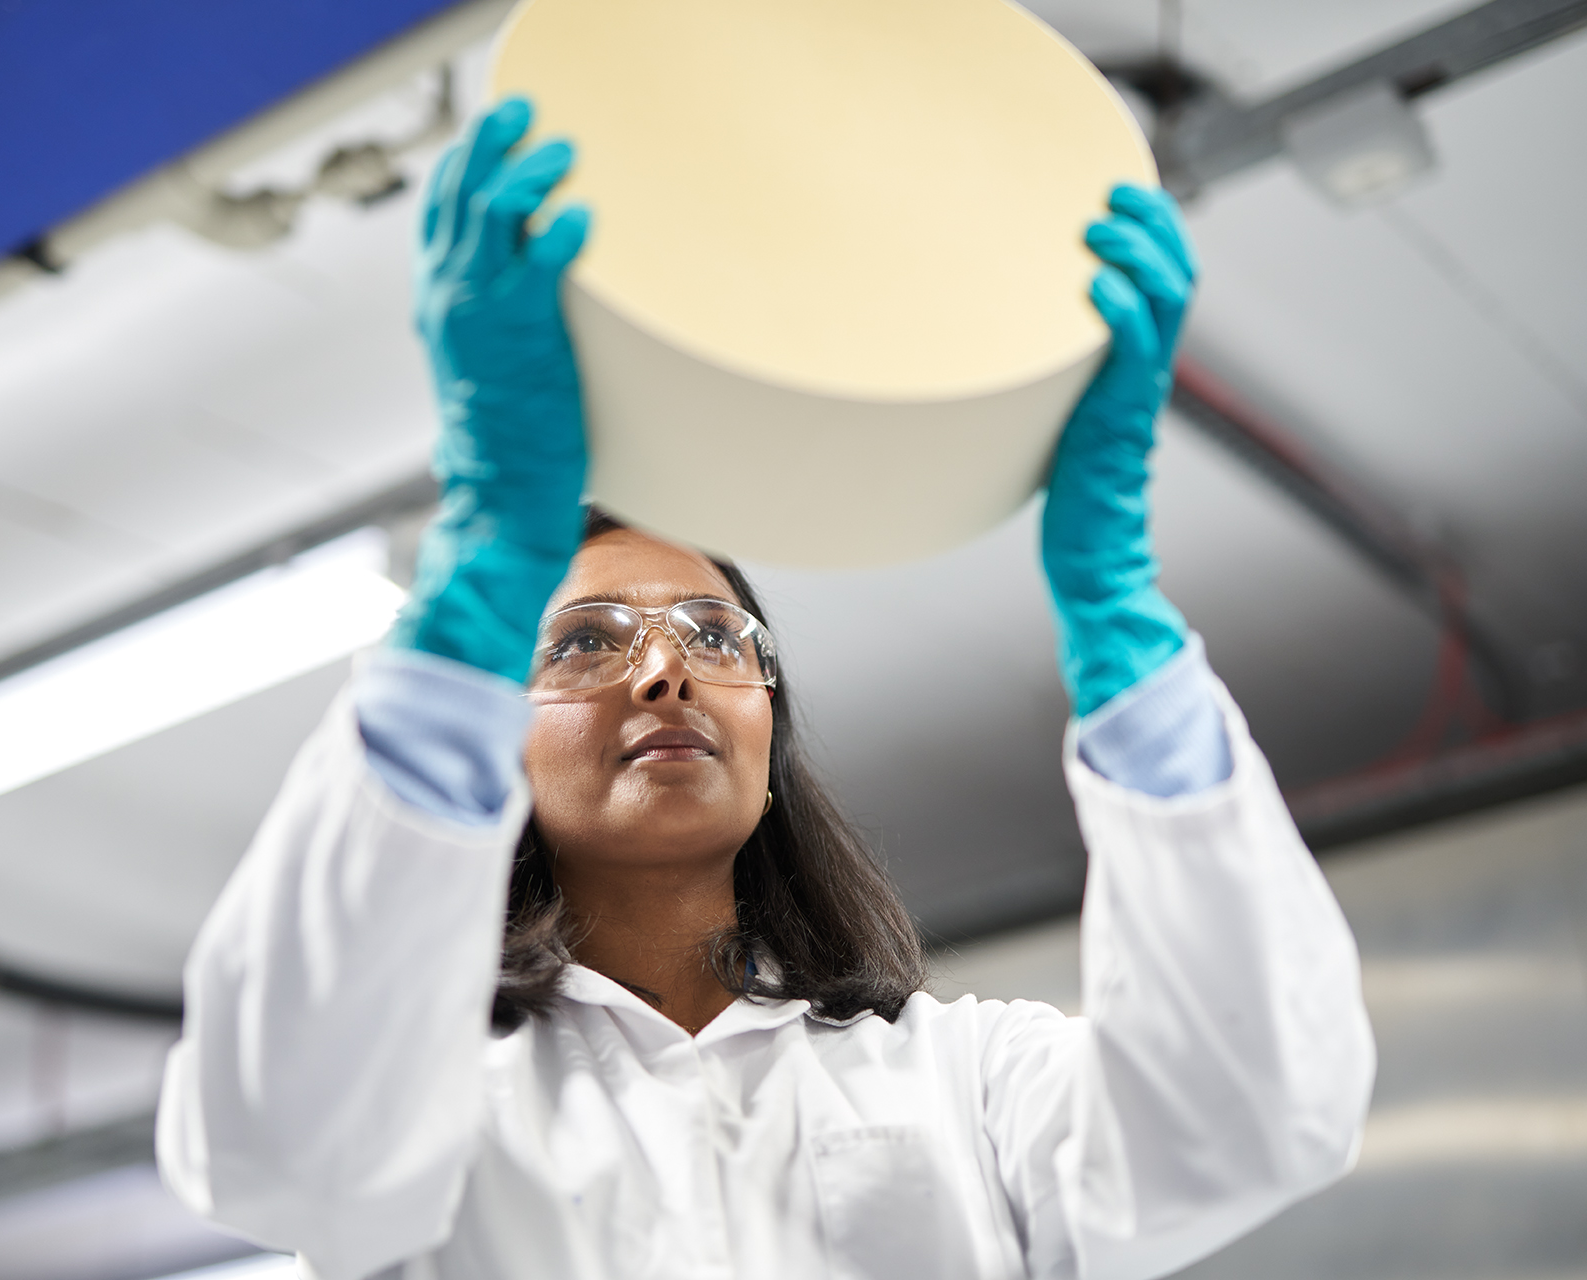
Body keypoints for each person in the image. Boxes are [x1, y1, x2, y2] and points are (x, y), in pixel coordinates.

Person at [156, 98, 1375, 1280]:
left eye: (713, 630)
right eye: (582, 640)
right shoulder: (421, 1093)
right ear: (493, 742)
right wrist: (471, 594)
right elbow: (271, 1149)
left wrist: (1126, 628)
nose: (665, 664)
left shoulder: (966, 1076)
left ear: (771, 721)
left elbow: (1253, 1116)